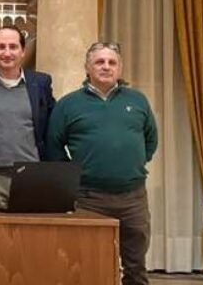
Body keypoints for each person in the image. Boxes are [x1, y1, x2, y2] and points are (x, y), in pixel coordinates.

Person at [46, 42, 158, 285]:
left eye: (112, 62)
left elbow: (151, 141)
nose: (106, 67)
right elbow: (53, 147)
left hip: (133, 198)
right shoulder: (68, 104)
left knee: (136, 267)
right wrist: (76, 174)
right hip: (88, 198)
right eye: (99, 62)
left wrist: (130, 165)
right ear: (87, 67)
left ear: (119, 68)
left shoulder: (138, 101)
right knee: (86, 265)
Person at [0, 25, 54, 208]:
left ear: (23, 51)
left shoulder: (41, 83)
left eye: (13, 47)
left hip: (33, 178)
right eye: (1, 47)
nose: (7, 53)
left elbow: (52, 127)